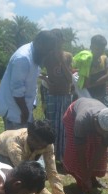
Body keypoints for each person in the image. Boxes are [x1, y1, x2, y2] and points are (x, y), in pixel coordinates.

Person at [0, 120, 75, 194]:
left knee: (35, 179)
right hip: (2, 153)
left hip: (25, 154)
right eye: (40, 144)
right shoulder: (14, 146)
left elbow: (52, 173)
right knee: (8, 182)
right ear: (31, 137)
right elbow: (27, 176)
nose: (43, 147)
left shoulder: (46, 143)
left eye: (44, 145)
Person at [0, 30, 56, 130]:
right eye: (47, 50)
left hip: (24, 109)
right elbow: (17, 89)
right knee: (14, 143)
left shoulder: (36, 55)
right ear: (39, 43)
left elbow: (32, 82)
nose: (48, 53)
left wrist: (32, 106)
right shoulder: (23, 58)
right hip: (15, 111)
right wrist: (24, 111)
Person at [63, 98, 108, 194]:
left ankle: (93, 179)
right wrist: (85, 176)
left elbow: (101, 150)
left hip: (91, 110)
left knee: (99, 151)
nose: (105, 136)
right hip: (74, 115)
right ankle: (81, 185)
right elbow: (81, 153)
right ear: (95, 122)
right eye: (103, 132)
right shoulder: (81, 121)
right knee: (75, 153)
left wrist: (89, 173)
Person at [39, 28, 73, 162]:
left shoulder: (67, 56)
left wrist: (62, 62)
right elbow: (37, 71)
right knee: (51, 126)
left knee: (64, 127)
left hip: (65, 96)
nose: (57, 44)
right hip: (52, 95)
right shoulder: (47, 56)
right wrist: (46, 80)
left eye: (59, 40)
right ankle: (49, 157)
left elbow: (70, 79)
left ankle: (62, 157)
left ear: (62, 41)